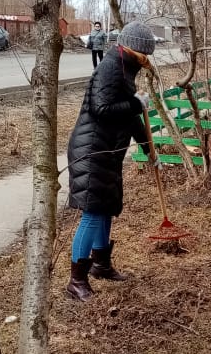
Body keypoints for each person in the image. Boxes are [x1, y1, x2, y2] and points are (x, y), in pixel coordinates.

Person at [66, 21, 160, 301]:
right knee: (93, 213)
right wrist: (136, 103)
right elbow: (103, 109)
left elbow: (128, 118)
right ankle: (76, 281)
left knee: (105, 208)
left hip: (106, 150)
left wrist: (148, 149)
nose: (147, 61)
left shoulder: (123, 67)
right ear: (134, 50)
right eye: (145, 55)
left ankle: (101, 265)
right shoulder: (111, 66)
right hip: (92, 150)